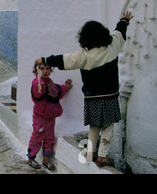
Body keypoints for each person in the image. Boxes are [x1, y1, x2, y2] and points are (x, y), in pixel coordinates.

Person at [35, 11, 134, 167]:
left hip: (92, 98)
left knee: (94, 125)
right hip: (110, 97)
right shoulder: (112, 47)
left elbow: (64, 60)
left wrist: (46, 60)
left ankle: (91, 152)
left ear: (84, 39)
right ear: (103, 34)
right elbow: (119, 32)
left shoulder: (83, 56)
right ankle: (102, 156)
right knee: (108, 125)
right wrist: (124, 20)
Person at [27, 63, 73, 170]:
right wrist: (39, 84)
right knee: (37, 137)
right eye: (41, 69)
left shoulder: (50, 83)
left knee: (49, 138)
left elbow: (58, 91)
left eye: (47, 69)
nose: (45, 71)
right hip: (40, 118)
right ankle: (31, 158)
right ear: (35, 72)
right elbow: (38, 92)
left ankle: (46, 159)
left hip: (51, 118)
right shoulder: (38, 83)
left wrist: (66, 87)